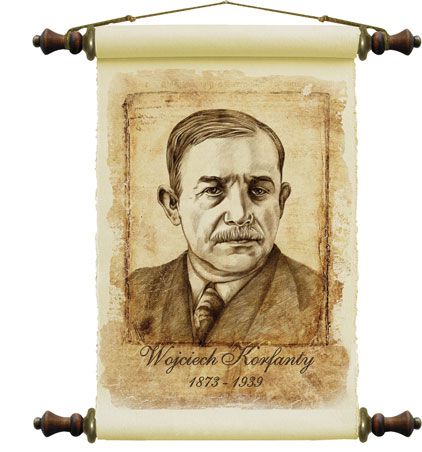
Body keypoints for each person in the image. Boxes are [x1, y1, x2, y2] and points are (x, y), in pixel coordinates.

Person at [128, 109, 325, 346]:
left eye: (258, 191)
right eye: (213, 190)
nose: (239, 215)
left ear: (281, 202)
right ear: (172, 205)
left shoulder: (322, 299)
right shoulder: (131, 294)